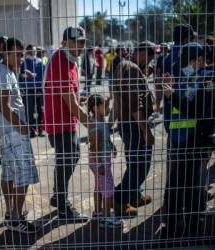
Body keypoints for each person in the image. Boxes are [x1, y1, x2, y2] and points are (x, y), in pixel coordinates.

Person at [158, 43, 214, 238]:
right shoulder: (184, 77)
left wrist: (171, 95)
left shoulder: (207, 80)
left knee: (193, 189)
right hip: (178, 142)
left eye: (187, 61)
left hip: (196, 142)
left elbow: (196, 110)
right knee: (175, 188)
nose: (184, 65)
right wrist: (171, 91)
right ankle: (172, 227)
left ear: (199, 60)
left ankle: (194, 229)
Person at [0, 38, 39, 233]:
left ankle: (12, 213)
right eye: (17, 55)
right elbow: (4, 106)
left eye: (22, 54)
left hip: (7, 132)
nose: (21, 59)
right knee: (23, 174)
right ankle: (16, 218)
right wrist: (22, 125)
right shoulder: (3, 73)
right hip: (13, 132)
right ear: (6, 53)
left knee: (9, 173)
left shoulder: (5, 71)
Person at [44, 26, 88, 220]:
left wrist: (79, 100)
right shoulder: (60, 62)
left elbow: (72, 97)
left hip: (65, 121)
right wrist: (94, 126)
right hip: (59, 123)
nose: (80, 45)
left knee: (67, 160)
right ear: (65, 42)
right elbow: (71, 104)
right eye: (77, 41)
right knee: (68, 159)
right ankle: (63, 206)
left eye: (82, 42)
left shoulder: (70, 60)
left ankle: (58, 196)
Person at [113, 41, 155, 216]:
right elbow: (135, 105)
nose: (151, 61)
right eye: (150, 57)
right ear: (143, 53)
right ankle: (121, 200)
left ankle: (134, 195)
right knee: (140, 164)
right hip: (134, 125)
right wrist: (146, 131)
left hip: (126, 123)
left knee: (134, 161)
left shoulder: (124, 65)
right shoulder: (132, 70)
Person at [87, 94, 123, 229]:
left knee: (99, 186)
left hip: (100, 160)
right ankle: (107, 218)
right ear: (96, 108)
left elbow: (104, 139)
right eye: (104, 106)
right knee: (108, 189)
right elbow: (94, 147)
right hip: (100, 161)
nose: (107, 109)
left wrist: (111, 145)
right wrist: (100, 164)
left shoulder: (101, 120)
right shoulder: (95, 124)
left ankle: (98, 212)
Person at [20, 44, 45, 137]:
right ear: (27, 52)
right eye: (30, 51)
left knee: (40, 110)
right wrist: (28, 75)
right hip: (28, 90)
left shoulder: (40, 62)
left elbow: (43, 77)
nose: (33, 52)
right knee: (29, 110)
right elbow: (21, 76)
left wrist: (40, 89)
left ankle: (41, 129)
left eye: (34, 51)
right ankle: (32, 130)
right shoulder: (24, 63)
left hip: (39, 90)